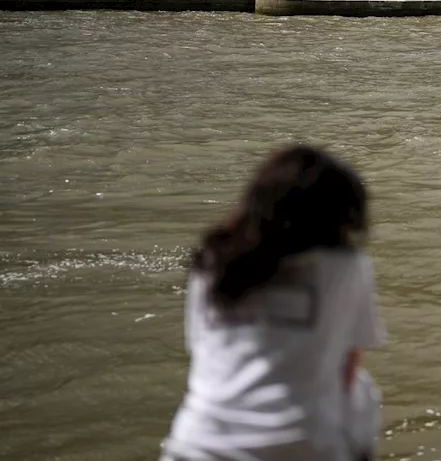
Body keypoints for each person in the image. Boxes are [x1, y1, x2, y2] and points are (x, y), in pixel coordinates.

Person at [162, 146, 383, 461]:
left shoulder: (212, 261)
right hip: (303, 446)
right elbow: (349, 365)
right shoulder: (345, 266)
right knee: (362, 391)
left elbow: (200, 350)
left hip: (198, 443)